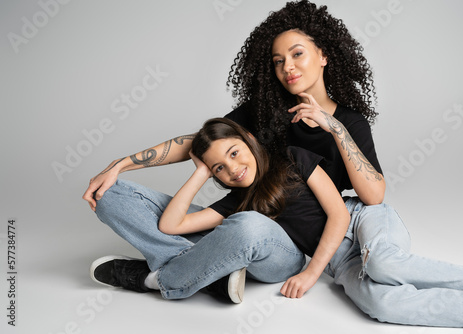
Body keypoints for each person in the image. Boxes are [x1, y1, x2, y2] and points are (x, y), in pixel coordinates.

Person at [84, 0, 384, 302]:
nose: (287, 67)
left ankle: (160, 279)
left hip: (278, 246)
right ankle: (211, 272)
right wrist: (120, 165)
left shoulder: (348, 123)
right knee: (109, 195)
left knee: (249, 225)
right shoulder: (265, 110)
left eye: (297, 54)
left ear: (323, 55)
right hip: (236, 224)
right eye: (278, 61)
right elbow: (199, 142)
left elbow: (374, 196)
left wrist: (336, 128)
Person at [163, 117, 463, 328]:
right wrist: (200, 173)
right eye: (219, 168)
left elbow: (338, 213)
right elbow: (172, 226)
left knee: (382, 263)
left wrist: (311, 273)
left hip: (362, 221)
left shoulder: (292, 158)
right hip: (340, 261)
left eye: (234, 153)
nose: (232, 168)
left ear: (249, 141)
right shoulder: (237, 202)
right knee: (377, 303)